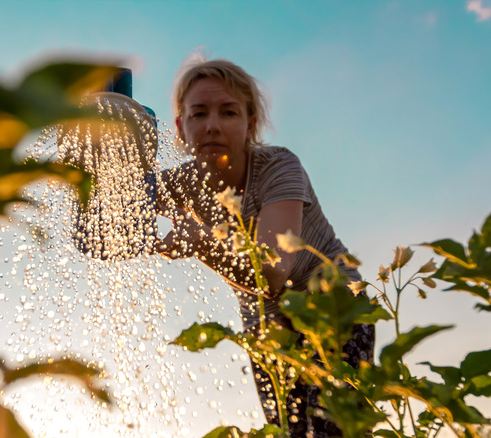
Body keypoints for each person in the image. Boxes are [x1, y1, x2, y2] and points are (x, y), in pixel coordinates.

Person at [156, 58, 374, 437]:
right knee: (290, 433)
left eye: (228, 112)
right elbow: (111, 214)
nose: (212, 125)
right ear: (181, 126)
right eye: (198, 114)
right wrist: (100, 149)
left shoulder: (279, 167)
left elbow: (273, 273)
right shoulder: (182, 184)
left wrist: (200, 244)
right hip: (268, 330)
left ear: (250, 122)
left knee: (333, 431)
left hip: (334, 310)